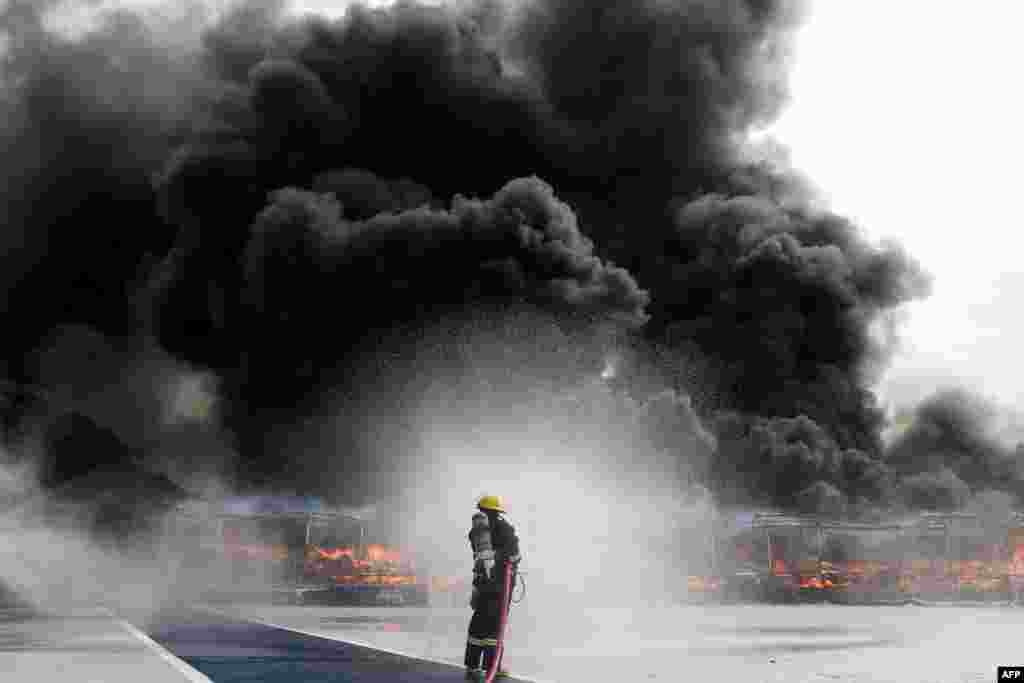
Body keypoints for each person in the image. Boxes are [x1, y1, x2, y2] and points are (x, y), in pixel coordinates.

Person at [464, 494, 521, 681]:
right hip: (499, 587)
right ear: (497, 511)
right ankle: (493, 667)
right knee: (495, 627)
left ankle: (473, 666)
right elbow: (514, 555)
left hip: (481, 583)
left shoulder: (477, 532)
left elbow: (480, 555)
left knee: (478, 623)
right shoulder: (504, 528)